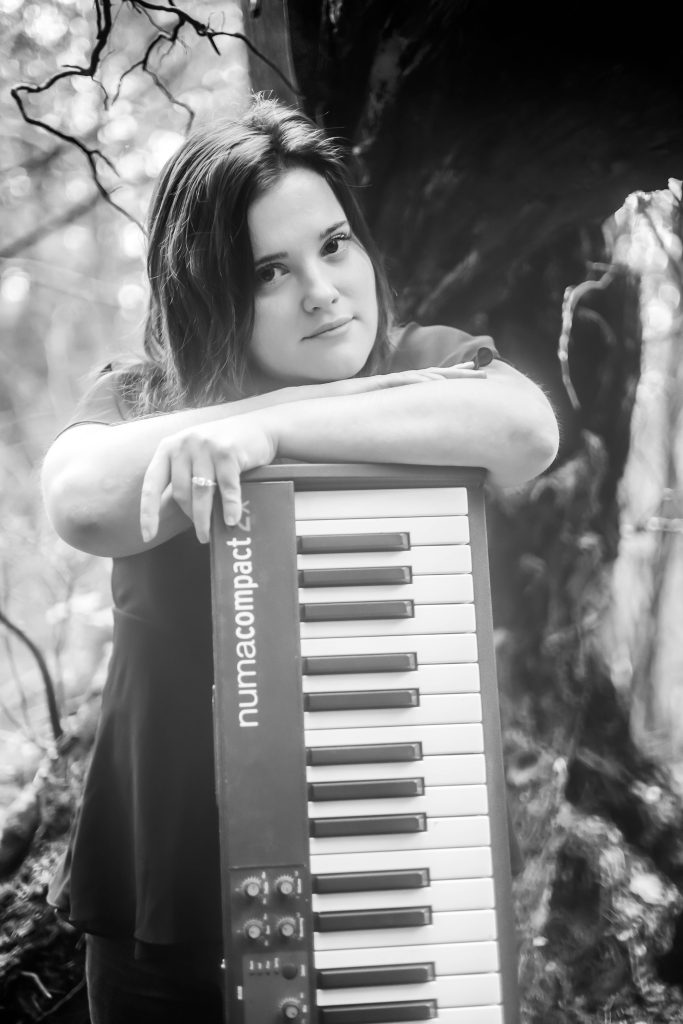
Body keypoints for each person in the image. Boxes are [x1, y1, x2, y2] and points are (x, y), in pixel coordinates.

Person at [41, 95, 559, 1023]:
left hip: (390, 880)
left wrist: (270, 435)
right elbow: (82, 502)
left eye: (334, 245)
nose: (321, 291)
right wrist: (241, 418)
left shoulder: (422, 359)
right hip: (164, 919)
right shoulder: (144, 400)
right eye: (268, 272)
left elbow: (525, 430)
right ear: (208, 291)